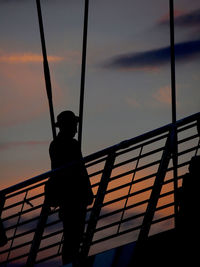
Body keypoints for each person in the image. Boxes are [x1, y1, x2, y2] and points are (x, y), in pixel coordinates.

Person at [47, 110, 93, 265]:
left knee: (75, 235)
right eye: (74, 125)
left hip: (74, 197)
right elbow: (78, 170)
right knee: (72, 236)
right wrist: (87, 191)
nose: (76, 129)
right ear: (66, 126)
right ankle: (70, 262)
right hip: (71, 197)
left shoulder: (60, 144)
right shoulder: (61, 145)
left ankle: (73, 260)